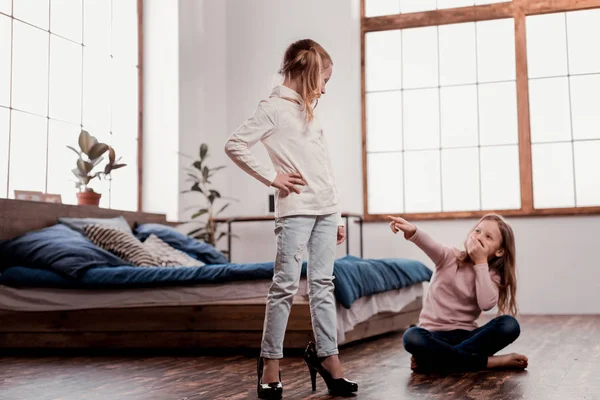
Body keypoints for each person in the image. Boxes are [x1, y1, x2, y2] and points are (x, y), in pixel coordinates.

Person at [225, 39, 357, 399]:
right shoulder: (272, 109)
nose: (325, 89)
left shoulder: (307, 111)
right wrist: (273, 178)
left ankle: (329, 358)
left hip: (327, 210)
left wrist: (339, 212)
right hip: (297, 212)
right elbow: (235, 144)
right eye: (323, 80)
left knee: (323, 285)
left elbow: (324, 167)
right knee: (284, 286)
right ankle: (270, 362)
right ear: (306, 73)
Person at [388, 214, 528, 373]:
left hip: (468, 336)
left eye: (488, 237)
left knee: (509, 325)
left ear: (500, 251)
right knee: (411, 336)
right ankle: (487, 363)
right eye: (477, 231)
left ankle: (433, 361)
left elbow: (486, 304)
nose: (479, 237)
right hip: (433, 336)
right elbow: (430, 244)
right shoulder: (448, 257)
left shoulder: (492, 275)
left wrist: (480, 262)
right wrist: (413, 231)